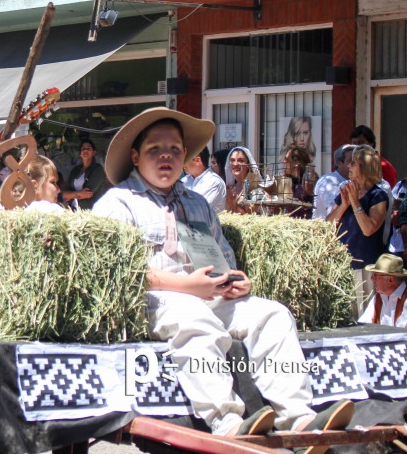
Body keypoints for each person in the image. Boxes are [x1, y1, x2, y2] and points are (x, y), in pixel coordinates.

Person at [92, 107, 354, 443]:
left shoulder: (198, 203)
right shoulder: (118, 204)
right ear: (135, 155)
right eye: (154, 149)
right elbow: (118, 274)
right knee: (192, 317)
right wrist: (187, 286)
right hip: (154, 302)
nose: (166, 157)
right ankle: (227, 423)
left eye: (174, 150)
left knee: (271, 314)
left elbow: (222, 257)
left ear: (185, 155)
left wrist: (234, 280)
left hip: (208, 295)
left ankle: (298, 419)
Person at [326, 146, 389, 312]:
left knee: (365, 315)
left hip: (366, 267)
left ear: (365, 166)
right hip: (343, 264)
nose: (349, 166)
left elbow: (368, 229)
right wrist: (343, 205)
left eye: (353, 163)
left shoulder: (378, 196)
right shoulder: (347, 191)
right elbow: (327, 225)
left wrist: (355, 202)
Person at [357, 254, 407, 328]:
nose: (372, 278)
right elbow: (363, 325)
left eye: (376, 276)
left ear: (390, 279)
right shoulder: (378, 298)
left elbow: (402, 334)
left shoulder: (405, 299)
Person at [62, 139, 110, 210]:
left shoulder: (98, 169)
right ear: (80, 153)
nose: (85, 150)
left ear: (94, 152)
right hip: (72, 210)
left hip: (89, 212)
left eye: (88, 148)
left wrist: (70, 195)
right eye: (83, 148)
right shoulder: (75, 170)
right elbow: (63, 194)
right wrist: (78, 193)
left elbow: (87, 194)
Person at [313, 144, 355, 220]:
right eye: (350, 161)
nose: (354, 164)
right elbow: (333, 211)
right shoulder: (328, 181)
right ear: (339, 163)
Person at [182, 145, 226, 214]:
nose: (182, 164)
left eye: (184, 160)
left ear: (197, 160)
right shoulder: (185, 180)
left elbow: (197, 210)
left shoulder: (213, 181)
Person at [224, 147, 261, 214]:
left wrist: (233, 204)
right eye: (232, 160)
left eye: (240, 161)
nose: (235, 164)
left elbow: (250, 215)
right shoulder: (232, 188)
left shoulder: (253, 186)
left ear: (248, 165)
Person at [282, 145, 317, 216]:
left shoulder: (309, 180)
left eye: (287, 159)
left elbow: (310, 206)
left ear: (296, 163)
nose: (284, 162)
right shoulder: (289, 181)